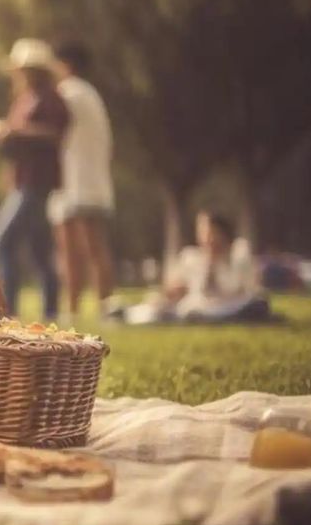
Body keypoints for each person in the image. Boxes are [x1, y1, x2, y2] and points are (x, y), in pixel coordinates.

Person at [0, 38, 69, 322]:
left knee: (2, 239)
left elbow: (55, 134)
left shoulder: (51, 99)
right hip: (22, 180)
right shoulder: (23, 100)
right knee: (39, 249)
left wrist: (15, 131)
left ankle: (7, 310)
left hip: (38, 182)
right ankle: (51, 311)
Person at [48, 41, 119, 323]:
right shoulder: (91, 95)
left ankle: (74, 309)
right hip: (92, 181)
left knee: (74, 250)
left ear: (64, 64)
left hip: (75, 183)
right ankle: (105, 307)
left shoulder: (67, 93)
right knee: (95, 248)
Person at [123, 211, 270, 324]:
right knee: (172, 310)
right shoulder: (191, 257)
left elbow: (240, 289)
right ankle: (124, 312)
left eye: (210, 232)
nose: (206, 237)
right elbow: (175, 289)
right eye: (202, 232)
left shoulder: (239, 253)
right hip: (198, 308)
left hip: (231, 306)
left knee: (257, 304)